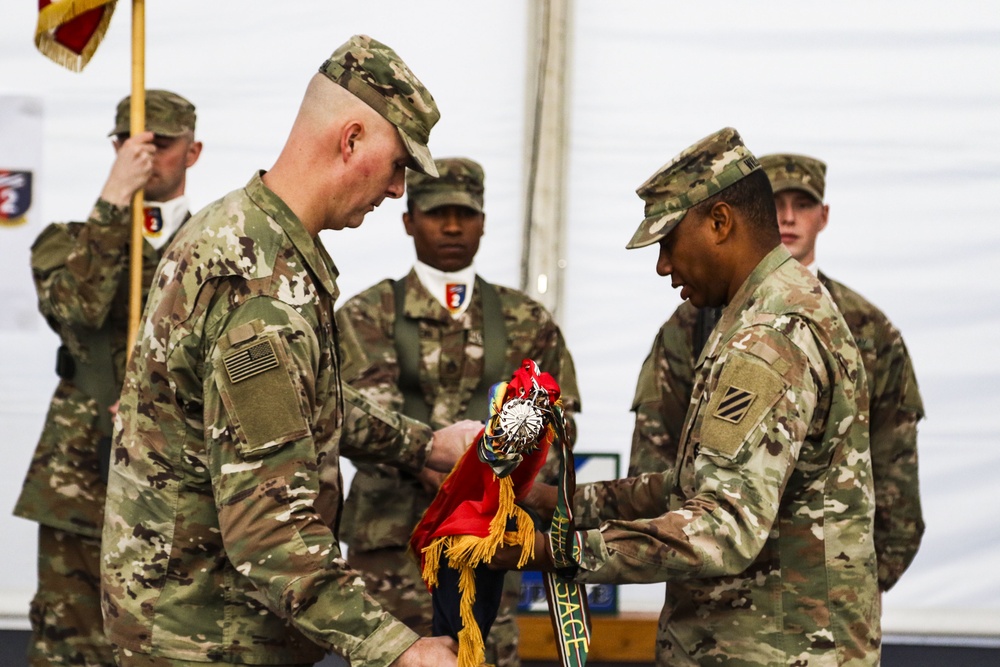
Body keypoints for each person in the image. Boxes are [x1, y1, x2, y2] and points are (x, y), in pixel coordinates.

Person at [100, 35, 481, 667]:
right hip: (206, 633)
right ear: (350, 139)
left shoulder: (243, 231)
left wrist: (422, 444)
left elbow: (298, 400)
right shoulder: (259, 285)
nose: (396, 191)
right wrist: (399, 650)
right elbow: (269, 531)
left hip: (200, 617)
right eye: (398, 165)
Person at [501, 127, 881, 665]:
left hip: (769, 648)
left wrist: (544, 550)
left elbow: (721, 526)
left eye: (667, 241)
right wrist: (562, 505)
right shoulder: (769, 311)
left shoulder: (768, 337)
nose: (662, 265)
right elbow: (698, 486)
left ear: (720, 222)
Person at [628, 152, 925, 592]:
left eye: (802, 204)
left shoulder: (868, 329)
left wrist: (843, 598)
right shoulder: (689, 326)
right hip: (713, 605)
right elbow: (663, 467)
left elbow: (895, 487)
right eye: (778, 204)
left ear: (823, 216)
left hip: (799, 629)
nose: (788, 217)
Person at [336, 156, 581, 667]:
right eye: (436, 212)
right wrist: (444, 463)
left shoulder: (524, 320)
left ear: (484, 223)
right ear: (408, 221)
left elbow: (560, 424)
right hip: (390, 555)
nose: (452, 226)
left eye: (465, 214)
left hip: (487, 554)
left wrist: (490, 475)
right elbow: (352, 416)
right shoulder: (366, 314)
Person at [13, 89, 202, 667]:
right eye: (127, 143)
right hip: (80, 479)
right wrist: (114, 199)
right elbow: (75, 308)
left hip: (181, 487)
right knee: (71, 647)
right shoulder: (66, 242)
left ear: (192, 152)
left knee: (171, 645)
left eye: (159, 145)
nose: (141, 156)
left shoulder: (219, 245)